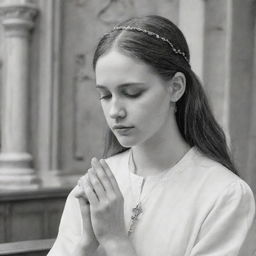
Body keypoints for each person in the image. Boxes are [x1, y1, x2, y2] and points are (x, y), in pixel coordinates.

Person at [47, 15, 255, 256]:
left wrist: (116, 241)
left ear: (176, 87)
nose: (115, 111)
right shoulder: (97, 184)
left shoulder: (225, 196)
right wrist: (84, 245)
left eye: (133, 93)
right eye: (105, 95)